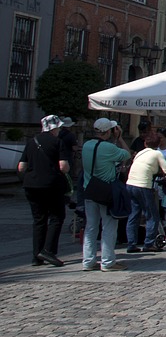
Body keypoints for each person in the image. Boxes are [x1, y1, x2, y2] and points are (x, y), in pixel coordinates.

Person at [19, 115, 74, 267]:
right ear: (53, 128)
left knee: (39, 220)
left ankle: (36, 256)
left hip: (31, 185)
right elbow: (63, 166)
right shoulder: (58, 142)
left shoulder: (31, 142)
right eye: (58, 127)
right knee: (56, 216)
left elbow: (21, 167)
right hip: (51, 185)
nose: (60, 130)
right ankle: (48, 250)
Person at [82, 119, 131, 272]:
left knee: (91, 227)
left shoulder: (86, 145)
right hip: (106, 191)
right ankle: (107, 261)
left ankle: (88, 261)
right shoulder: (108, 147)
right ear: (108, 131)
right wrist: (119, 138)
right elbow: (126, 154)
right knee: (109, 226)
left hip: (89, 189)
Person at [125, 128, 166, 253]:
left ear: (145, 143)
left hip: (130, 184)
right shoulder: (157, 153)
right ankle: (148, 243)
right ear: (158, 144)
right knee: (151, 215)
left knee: (134, 215)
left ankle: (131, 244)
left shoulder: (140, 153)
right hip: (143, 185)